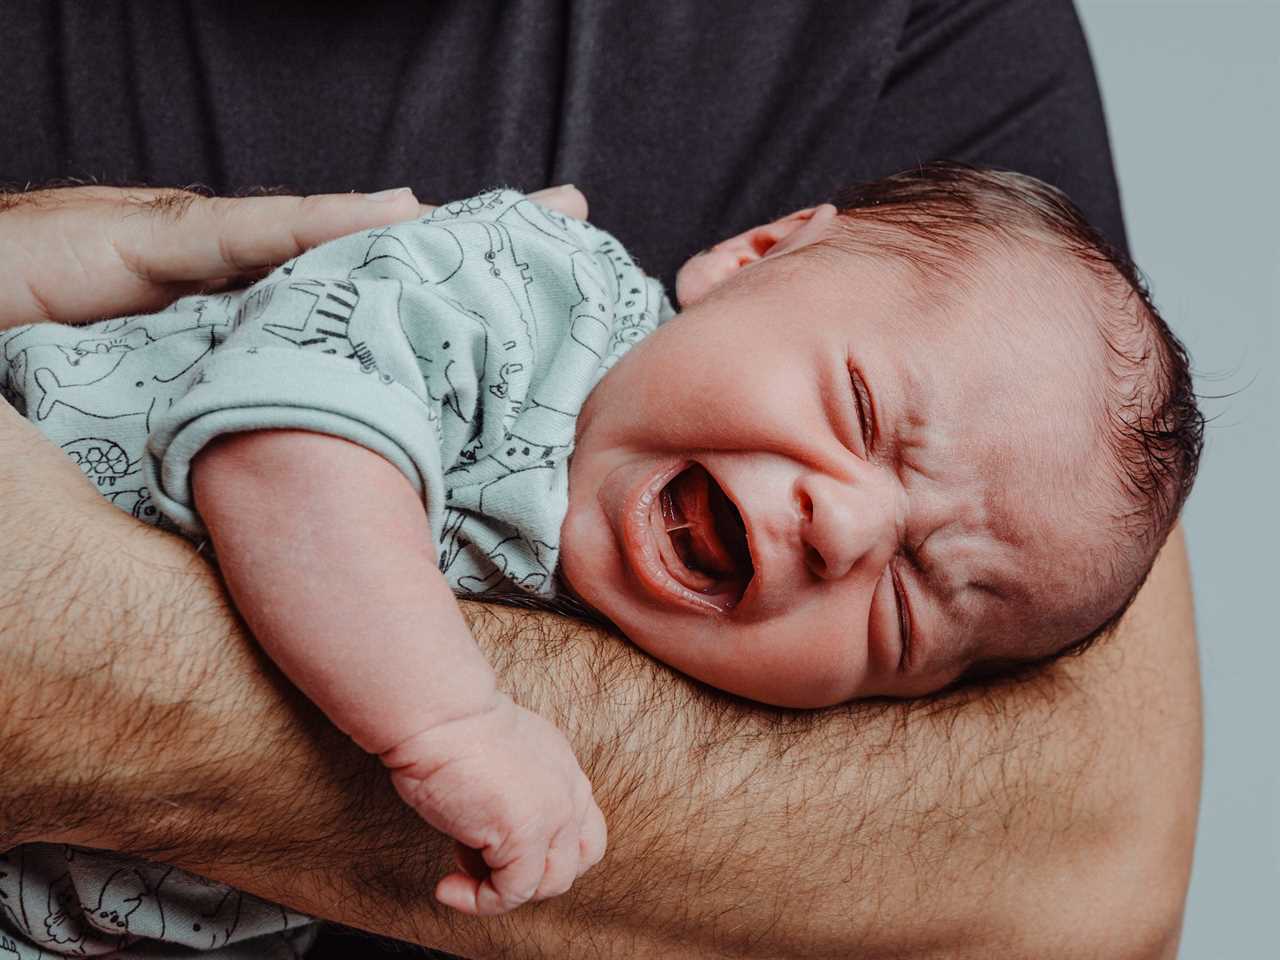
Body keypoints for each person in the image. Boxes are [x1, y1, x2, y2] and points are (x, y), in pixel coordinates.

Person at [0, 2, 1202, 958]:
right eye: (859, 413)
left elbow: (1094, 877)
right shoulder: (528, 296)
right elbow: (284, 452)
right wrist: (450, 724)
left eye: (902, 604)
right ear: (751, 258)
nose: (843, 526)